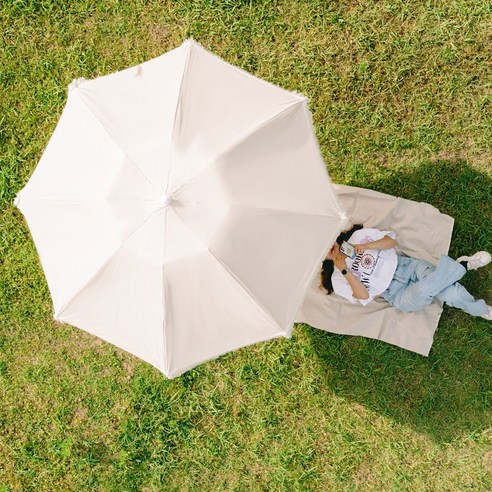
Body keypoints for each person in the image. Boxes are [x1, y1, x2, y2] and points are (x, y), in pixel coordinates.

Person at [320, 225, 492, 320]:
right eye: (323, 250)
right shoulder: (337, 278)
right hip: (397, 294)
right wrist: (344, 269)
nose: (328, 247)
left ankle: (482, 310)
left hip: (408, 268)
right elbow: (363, 296)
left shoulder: (357, 237)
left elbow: (391, 241)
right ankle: (460, 267)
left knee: (453, 294)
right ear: (321, 258)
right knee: (427, 290)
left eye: (325, 241)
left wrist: (366, 246)